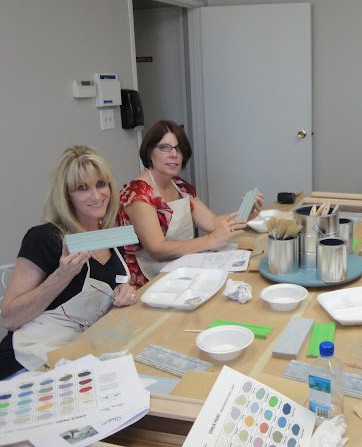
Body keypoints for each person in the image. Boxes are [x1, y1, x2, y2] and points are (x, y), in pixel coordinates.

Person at [0, 146, 137, 379]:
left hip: (78, 354)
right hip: (27, 361)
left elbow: (111, 292)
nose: (96, 196)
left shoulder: (111, 239)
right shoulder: (45, 238)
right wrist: (62, 275)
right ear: (66, 196)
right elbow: (9, 318)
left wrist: (126, 292)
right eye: (82, 188)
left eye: (101, 184)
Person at [117, 120, 264, 288]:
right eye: (165, 147)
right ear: (149, 152)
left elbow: (212, 222)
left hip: (181, 267)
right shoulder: (139, 193)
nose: (174, 154)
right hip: (149, 279)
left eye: (178, 148)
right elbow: (158, 250)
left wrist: (245, 215)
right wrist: (211, 240)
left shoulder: (180, 187)